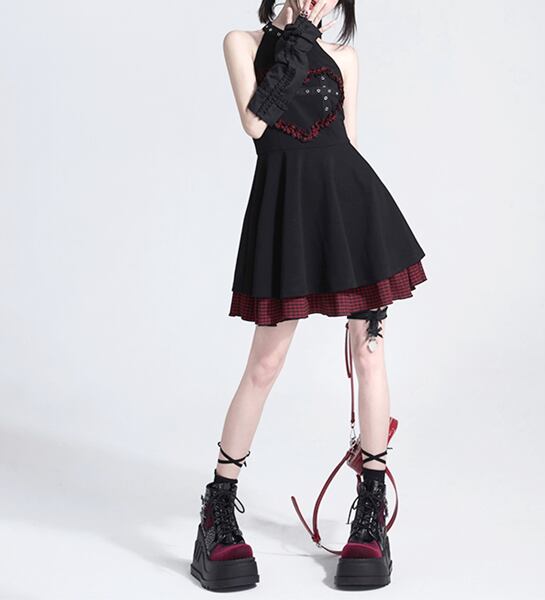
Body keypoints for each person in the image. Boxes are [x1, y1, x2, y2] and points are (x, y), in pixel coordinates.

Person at [190, 0, 427, 590]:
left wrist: (310, 40)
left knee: (368, 352)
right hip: (285, 215)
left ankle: (371, 514)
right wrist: (294, 39)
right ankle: (217, 512)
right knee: (265, 364)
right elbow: (256, 124)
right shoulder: (242, 43)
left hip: (350, 209)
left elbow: (347, 142)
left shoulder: (345, 58)